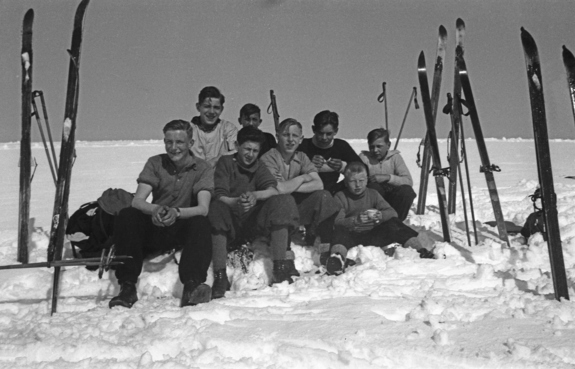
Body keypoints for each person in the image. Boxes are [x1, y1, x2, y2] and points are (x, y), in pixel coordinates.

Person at [109, 120, 214, 309]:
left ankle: (192, 286)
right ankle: (127, 286)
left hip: (182, 226)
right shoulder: (155, 163)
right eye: (169, 142)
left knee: (201, 222)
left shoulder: (203, 168)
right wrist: (155, 209)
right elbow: (138, 200)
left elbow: (203, 208)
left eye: (180, 142)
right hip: (156, 225)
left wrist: (177, 212)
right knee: (128, 215)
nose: (174, 148)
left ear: (190, 144)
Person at [208, 126, 299, 299]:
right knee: (216, 208)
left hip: (252, 224)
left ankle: (279, 267)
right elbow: (220, 195)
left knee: (283, 201)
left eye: (255, 150)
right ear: (237, 145)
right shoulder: (226, 163)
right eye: (247, 149)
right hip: (231, 223)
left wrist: (254, 196)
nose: (250, 154)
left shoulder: (259, 166)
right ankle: (220, 276)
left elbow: (272, 189)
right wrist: (237, 202)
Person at [328, 162, 431, 274]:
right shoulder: (340, 196)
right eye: (353, 181)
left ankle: (420, 250)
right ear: (346, 183)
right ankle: (336, 259)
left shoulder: (373, 194)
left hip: (373, 234)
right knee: (339, 231)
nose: (358, 185)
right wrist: (354, 221)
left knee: (394, 223)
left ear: (367, 180)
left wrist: (380, 216)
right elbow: (337, 221)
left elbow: (392, 212)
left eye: (361, 181)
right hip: (352, 235)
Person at [261, 118, 340, 246]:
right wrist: (302, 178)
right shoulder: (268, 158)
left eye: (295, 136)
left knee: (323, 196)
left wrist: (290, 187)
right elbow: (279, 189)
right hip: (271, 212)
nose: (291, 140)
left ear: (301, 139)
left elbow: (318, 184)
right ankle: (284, 251)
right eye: (286, 135)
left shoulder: (302, 157)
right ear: (277, 136)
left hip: (293, 208)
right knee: (284, 199)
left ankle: (323, 243)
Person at [298, 110, 362, 194]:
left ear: (336, 131)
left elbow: (363, 170)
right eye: (321, 133)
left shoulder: (341, 146)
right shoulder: (302, 146)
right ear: (313, 129)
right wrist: (307, 164)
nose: (324, 138)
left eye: (328, 134)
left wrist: (343, 167)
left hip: (333, 192)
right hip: (306, 193)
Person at [360, 128, 416, 221]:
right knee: (374, 188)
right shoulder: (364, 158)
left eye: (379, 146)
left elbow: (408, 181)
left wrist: (388, 178)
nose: (375, 150)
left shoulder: (395, 158)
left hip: (392, 198)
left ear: (388, 145)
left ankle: (396, 221)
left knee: (407, 191)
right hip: (374, 200)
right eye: (372, 147)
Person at [190, 86, 238, 167]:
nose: (212, 112)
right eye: (207, 106)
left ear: (222, 109)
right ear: (198, 107)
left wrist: (216, 160)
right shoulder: (188, 130)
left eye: (216, 107)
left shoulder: (228, 129)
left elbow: (236, 151)